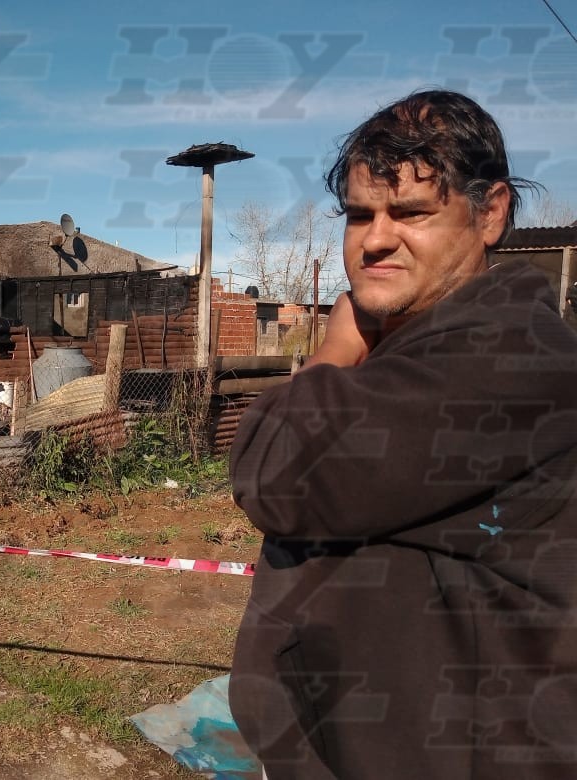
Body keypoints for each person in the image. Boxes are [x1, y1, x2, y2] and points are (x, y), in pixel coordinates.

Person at [228, 89, 577, 779]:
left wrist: (335, 349)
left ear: (491, 212)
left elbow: (275, 469)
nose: (376, 239)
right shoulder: (427, 347)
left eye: (412, 213)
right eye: (360, 215)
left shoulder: (508, 357)